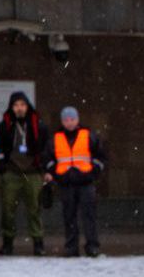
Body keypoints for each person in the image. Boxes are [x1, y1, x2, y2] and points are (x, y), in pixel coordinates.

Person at [0, 91, 49, 255]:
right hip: (11, 173)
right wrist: (2, 167)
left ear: (27, 106)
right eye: (16, 105)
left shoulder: (39, 125)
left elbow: (46, 149)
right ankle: (8, 243)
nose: (19, 109)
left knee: (35, 209)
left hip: (33, 173)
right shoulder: (5, 125)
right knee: (8, 210)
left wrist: (44, 169)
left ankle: (38, 244)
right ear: (11, 107)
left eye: (22, 105)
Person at [45, 106, 106, 257]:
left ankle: (92, 246)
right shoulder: (55, 139)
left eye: (72, 119)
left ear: (77, 120)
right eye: (66, 120)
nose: (69, 123)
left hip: (85, 182)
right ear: (62, 121)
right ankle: (71, 247)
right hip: (66, 183)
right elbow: (47, 159)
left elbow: (101, 156)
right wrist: (55, 174)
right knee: (69, 217)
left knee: (89, 216)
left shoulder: (88, 135)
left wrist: (93, 172)